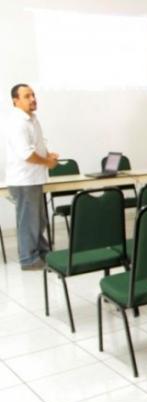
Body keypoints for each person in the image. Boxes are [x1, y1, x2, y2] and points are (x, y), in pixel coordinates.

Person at [5, 84, 58, 270]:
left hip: (34, 178)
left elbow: (38, 145)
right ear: (15, 100)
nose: (33, 99)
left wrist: (48, 155)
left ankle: (42, 252)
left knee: (39, 219)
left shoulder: (32, 119)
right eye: (27, 96)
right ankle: (28, 259)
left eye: (33, 95)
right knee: (28, 221)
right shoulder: (17, 122)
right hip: (23, 180)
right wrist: (47, 162)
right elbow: (27, 154)